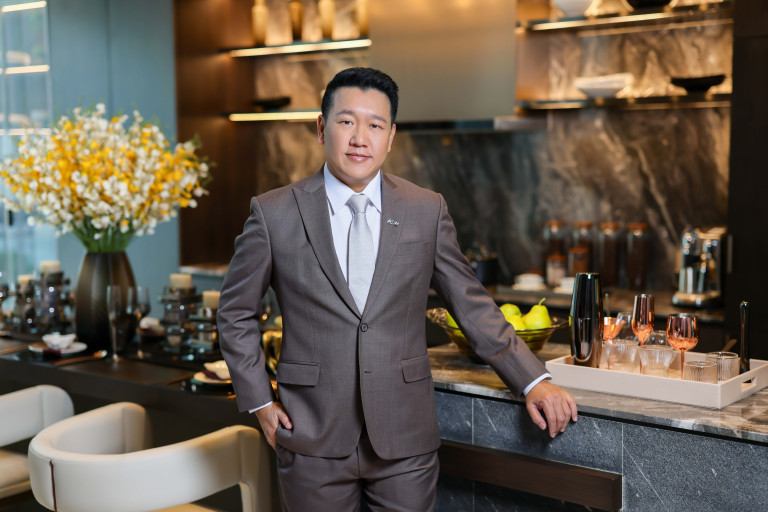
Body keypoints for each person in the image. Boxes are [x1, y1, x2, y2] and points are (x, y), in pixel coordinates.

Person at [217, 67, 578, 512]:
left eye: (375, 125)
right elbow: (235, 313)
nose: (359, 138)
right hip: (310, 434)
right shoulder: (273, 213)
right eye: (346, 121)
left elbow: (471, 305)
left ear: (390, 137)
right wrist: (259, 403)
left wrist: (533, 380)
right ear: (321, 127)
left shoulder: (426, 209)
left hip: (405, 437)